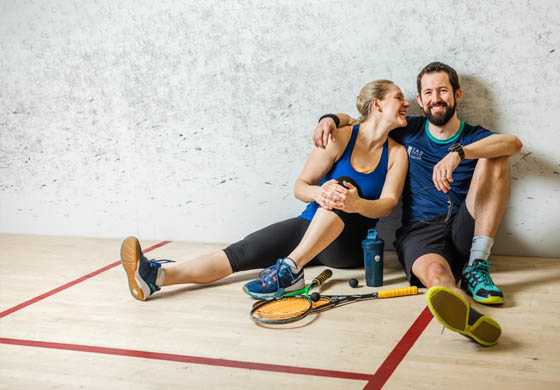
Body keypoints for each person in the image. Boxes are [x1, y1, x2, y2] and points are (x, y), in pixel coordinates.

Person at [120, 79, 409, 303]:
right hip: (309, 224)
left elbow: (387, 204)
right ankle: (155, 277)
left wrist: (355, 202)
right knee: (241, 252)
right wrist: (318, 194)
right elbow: (300, 187)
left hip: (346, 244)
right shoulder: (340, 136)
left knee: (343, 187)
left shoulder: (397, 153)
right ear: (378, 104)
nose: (406, 103)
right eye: (399, 97)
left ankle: (291, 270)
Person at [313, 62, 523, 346]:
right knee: (436, 276)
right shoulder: (408, 130)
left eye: (443, 91)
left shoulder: (474, 136)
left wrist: (459, 153)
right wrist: (329, 118)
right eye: (428, 92)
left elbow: (513, 143)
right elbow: (361, 121)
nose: (436, 98)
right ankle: (467, 316)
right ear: (421, 100)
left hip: (465, 225)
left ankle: (477, 265)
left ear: (457, 95)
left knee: (496, 155)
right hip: (420, 232)